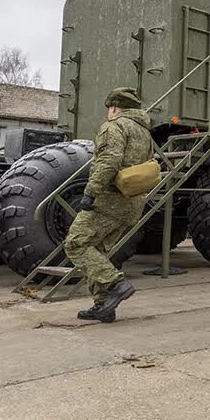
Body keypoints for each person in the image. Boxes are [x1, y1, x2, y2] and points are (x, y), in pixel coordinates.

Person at [65, 87, 152, 323]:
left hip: (109, 201)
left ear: (114, 107)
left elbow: (109, 161)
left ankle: (116, 284)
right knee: (99, 250)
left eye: (109, 109)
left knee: (76, 244)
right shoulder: (145, 131)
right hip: (132, 202)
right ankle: (103, 305)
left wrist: (90, 191)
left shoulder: (114, 127)